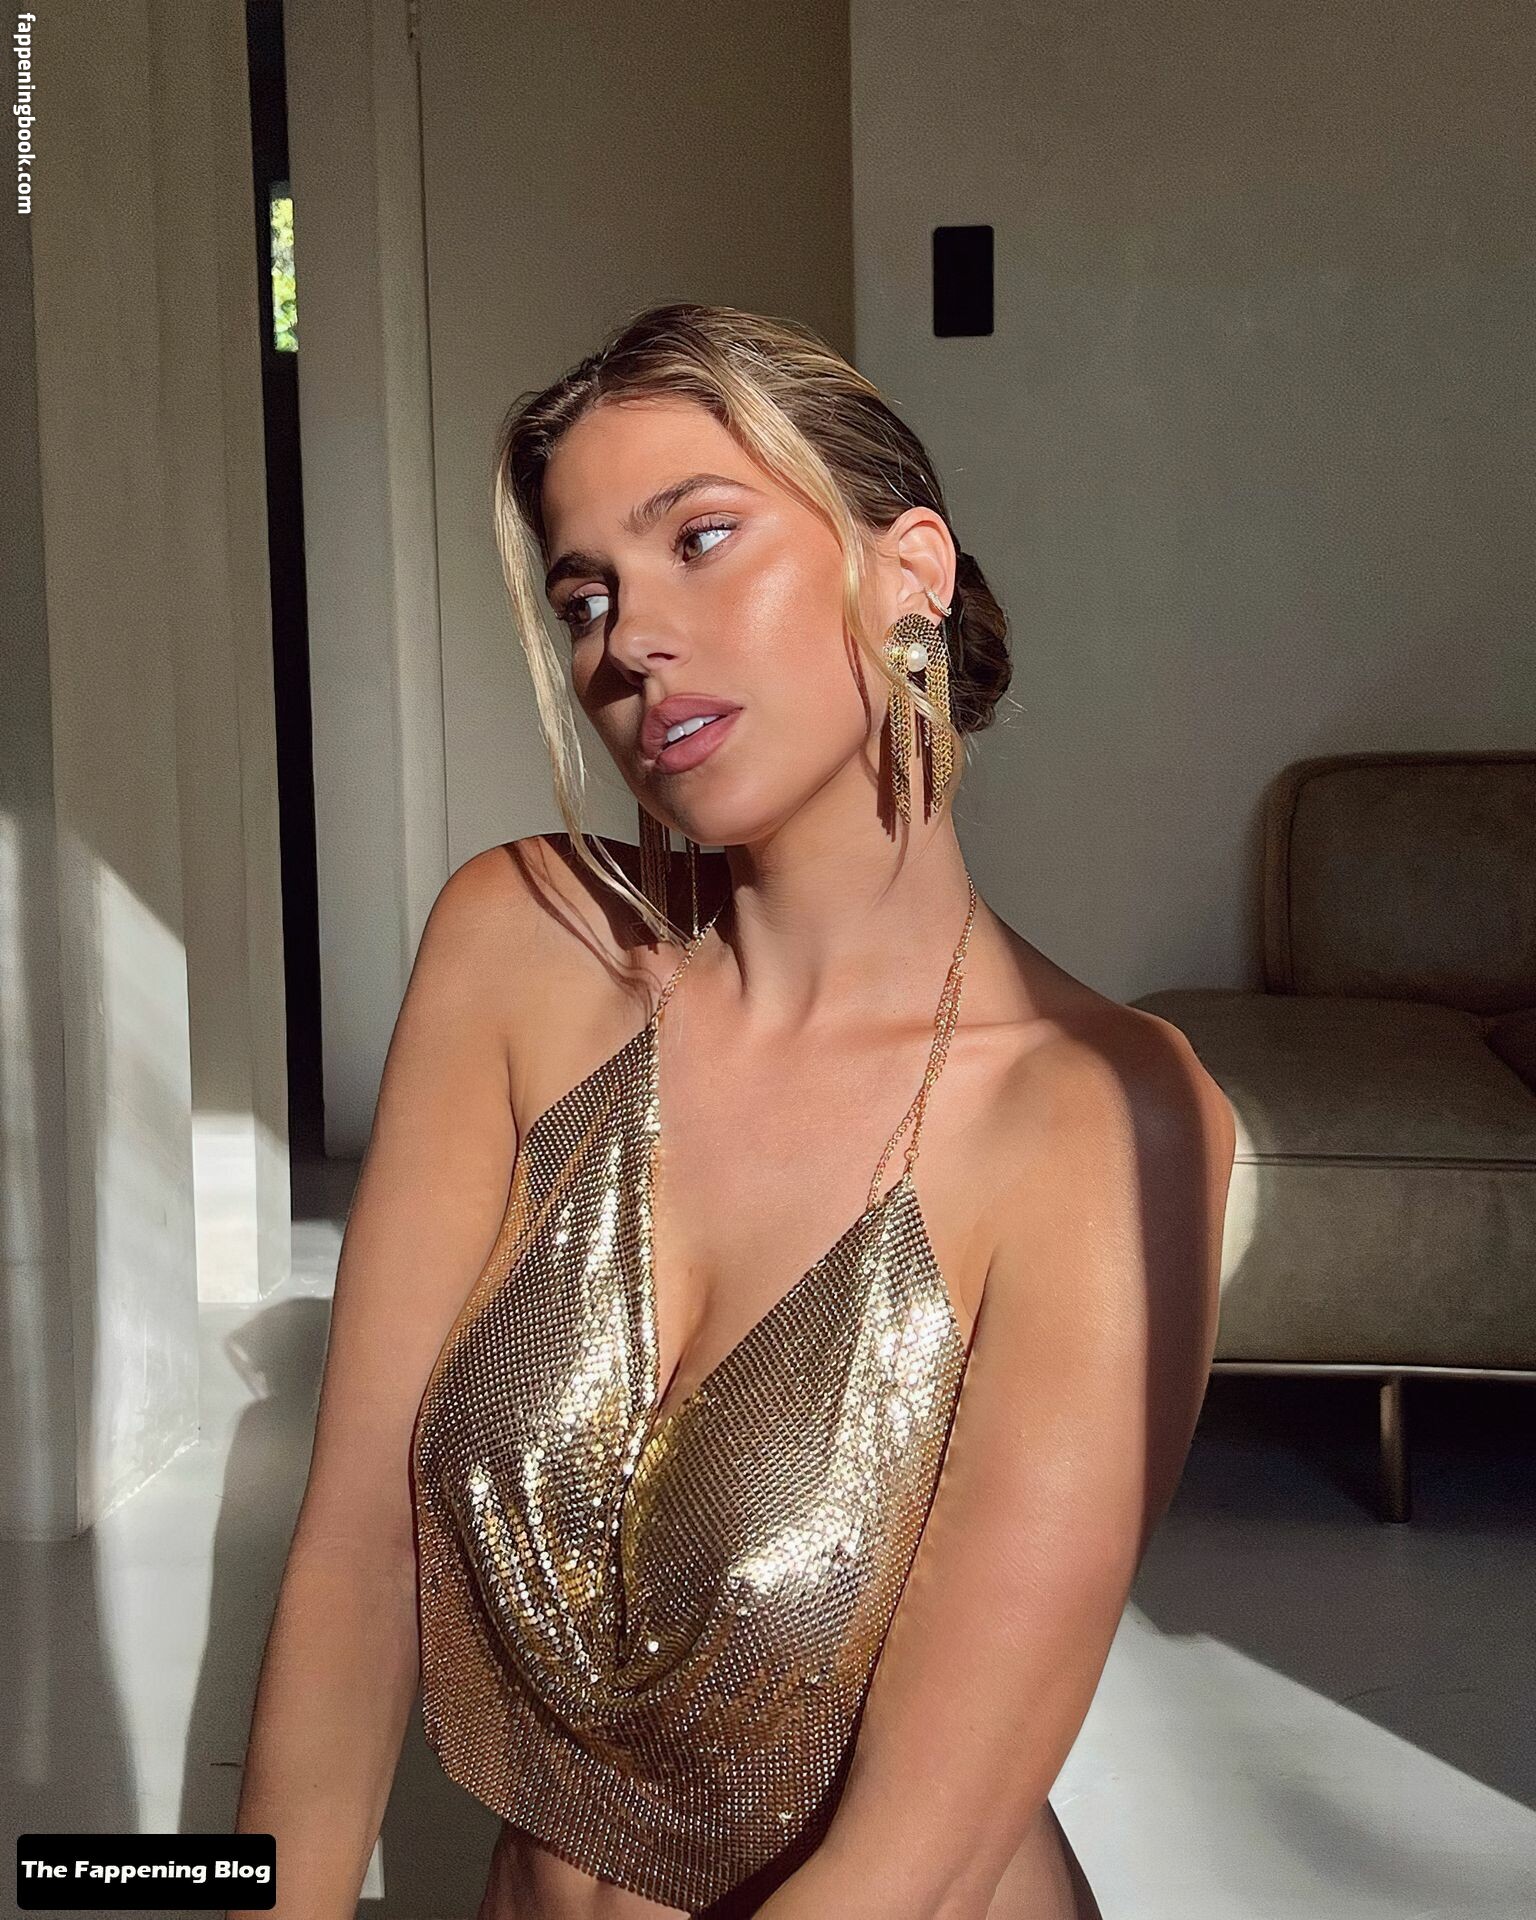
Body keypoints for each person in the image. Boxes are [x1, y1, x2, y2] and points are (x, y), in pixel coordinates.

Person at [232, 302, 1236, 1920]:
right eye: (585, 596)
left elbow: (914, 1860)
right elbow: (359, 1546)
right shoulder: (518, 947)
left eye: (701, 538)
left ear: (908, 572)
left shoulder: (1101, 1116)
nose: (630, 639)